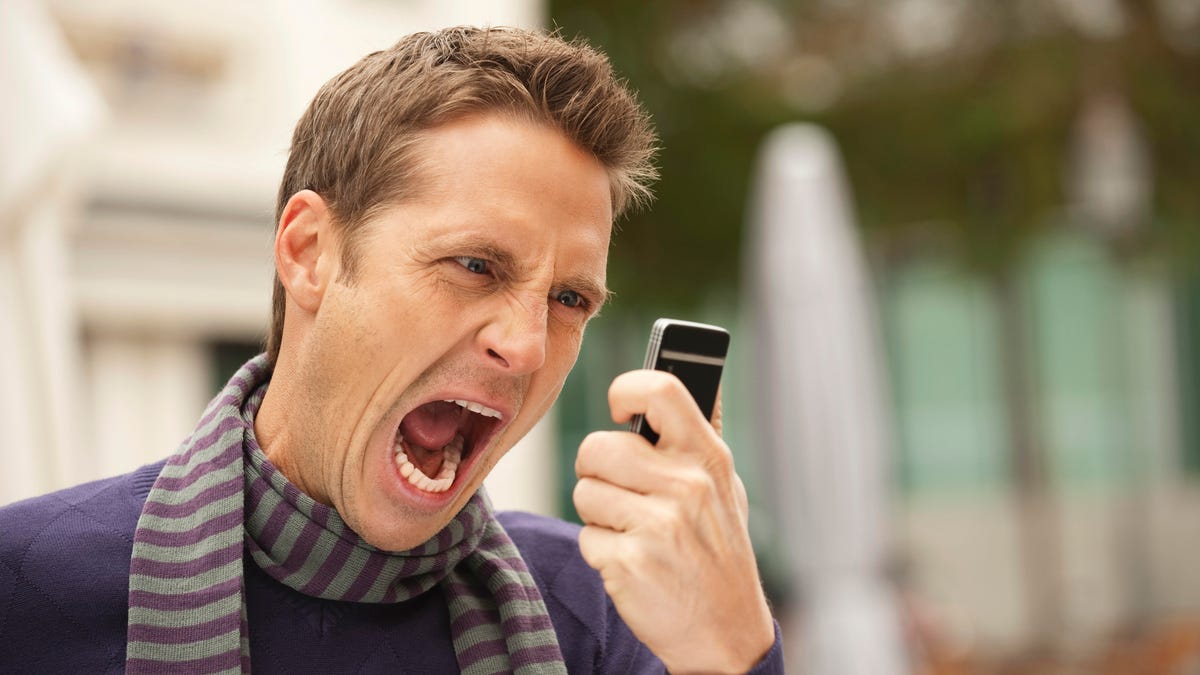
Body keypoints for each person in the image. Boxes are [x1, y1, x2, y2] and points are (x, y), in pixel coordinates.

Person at [0, 26, 782, 674]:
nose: (527, 344)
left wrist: (730, 653)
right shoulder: (27, 591)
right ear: (309, 252)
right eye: (475, 266)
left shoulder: (614, 618)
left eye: (570, 299)